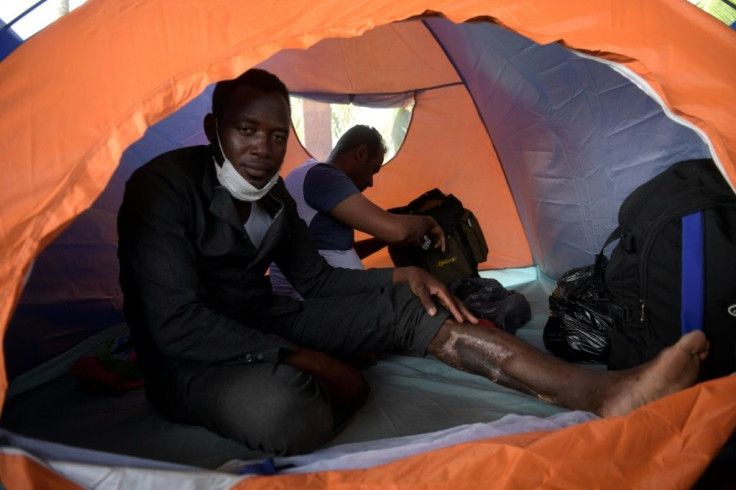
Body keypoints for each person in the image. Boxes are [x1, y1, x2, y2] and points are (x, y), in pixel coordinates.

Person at [117, 68, 709, 457]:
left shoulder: (274, 197)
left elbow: (318, 281)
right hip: (188, 357)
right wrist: (304, 358)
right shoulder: (161, 189)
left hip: (265, 317)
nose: (264, 150)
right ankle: (304, 376)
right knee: (284, 414)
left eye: (276, 136)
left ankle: (602, 393)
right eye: (247, 130)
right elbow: (176, 323)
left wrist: (405, 274)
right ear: (212, 129)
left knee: (412, 304)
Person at [270, 124, 444, 297]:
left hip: (320, 296)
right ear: (361, 153)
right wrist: (429, 222)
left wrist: (382, 241)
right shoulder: (323, 177)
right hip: (314, 304)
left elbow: (335, 252)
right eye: (373, 169)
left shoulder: (308, 174)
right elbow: (397, 231)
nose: (370, 182)